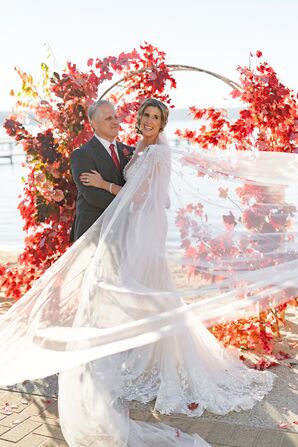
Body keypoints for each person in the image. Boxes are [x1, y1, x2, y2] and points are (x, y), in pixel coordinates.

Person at [0, 98, 298, 447]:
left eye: (155, 117)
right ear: (137, 119)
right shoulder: (135, 148)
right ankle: (142, 354)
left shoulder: (155, 152)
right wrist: (107, 188)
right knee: (144, 292)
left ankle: (158, 359)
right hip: (128, 231)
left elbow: (143, 196)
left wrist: (105, 184)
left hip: (143, 229)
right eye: (144, 115)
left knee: (147, 291)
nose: (147, 120)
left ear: (162, 122)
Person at [70, 99, 134, 241]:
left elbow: (137, 188)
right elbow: (93, 195)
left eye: (116, 117)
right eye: (108, 118)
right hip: (93, 233)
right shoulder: (82, 155)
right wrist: (129, 205)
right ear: (94, 123)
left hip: (124, 232)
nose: (115, 122)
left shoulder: (130, 152)